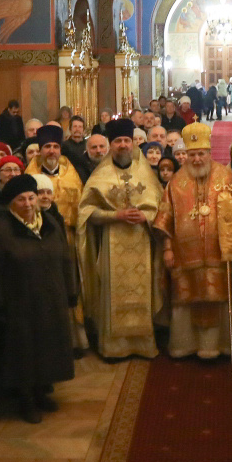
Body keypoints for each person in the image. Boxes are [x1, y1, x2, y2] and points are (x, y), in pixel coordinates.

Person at [0, 175, 79, 420]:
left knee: (47, 345)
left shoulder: (49, 222)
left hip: (51, 296)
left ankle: (40, 391)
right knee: (25, 350)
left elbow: (65, 258)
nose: (27, 203)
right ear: (11, 203)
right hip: (20, 300)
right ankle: (25, 399)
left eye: (30, 197)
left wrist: (70, 290)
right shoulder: (1, 228)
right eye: (20, 199)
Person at [156, 125, 232, 361]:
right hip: (184, 255)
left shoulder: (228, 177)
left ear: (209, 153)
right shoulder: (175, 182)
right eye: (192, 154)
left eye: (201, 154)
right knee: (186, 301)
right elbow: (164, 217)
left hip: (220, 253)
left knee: (220, 297)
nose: (197, 159)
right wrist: (167, 249)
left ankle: (221, 345)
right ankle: (184, 346)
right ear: (185, 155)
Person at [78, 120, 162, 361]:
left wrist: (145, 215)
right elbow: (86, 213)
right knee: (112, 293)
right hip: (111, 241)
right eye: (118, 141)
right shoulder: (100, 175)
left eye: (127, 141)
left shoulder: (145, 171)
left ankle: (143, 345)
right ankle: (114, 348)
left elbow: (161, 206)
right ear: (110, 145)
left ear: (133, 143)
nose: (123, 145)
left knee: (141, 292)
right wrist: (115, 215)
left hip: (142, 241)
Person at [27, 124, 82, 229]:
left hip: (68, 235)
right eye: (47, 146)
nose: (52, 151)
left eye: (56, 147)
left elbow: (80, 209)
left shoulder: (72, 177)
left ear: (60, 150)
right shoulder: (30, 177)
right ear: (40, 151)